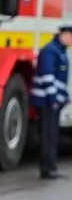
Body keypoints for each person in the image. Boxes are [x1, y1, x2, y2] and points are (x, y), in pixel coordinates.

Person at [32, 24, 71, 180]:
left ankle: (51, 166)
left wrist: (65, 97)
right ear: (62, 35)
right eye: (69, 36)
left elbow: (60, 80)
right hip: (46, 101)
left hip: (52, 100)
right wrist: (54, 100)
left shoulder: (59, 51)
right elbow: (47, 77)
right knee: (49, 135)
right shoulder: (50, 51)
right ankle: (47, 169)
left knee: (52, 135)